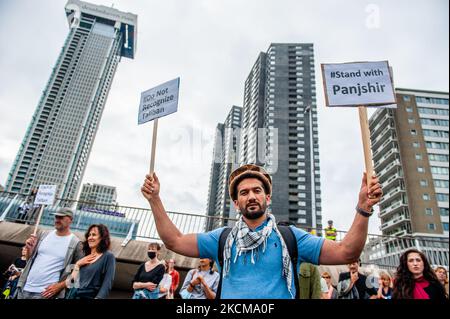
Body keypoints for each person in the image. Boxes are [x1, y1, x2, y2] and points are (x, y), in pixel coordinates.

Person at [140, 164, 383, 298]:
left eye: (257, 190)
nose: (251, 196)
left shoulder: (291, 238)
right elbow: (174, 240)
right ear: (236, 204)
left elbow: (347, 252)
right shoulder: (221, 239)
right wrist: (155, 200)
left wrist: (363, 209)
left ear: (267, 198)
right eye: (243, 193)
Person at [15, 207, 83, 299]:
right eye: (56, 217)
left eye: (61, 217)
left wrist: (59, 286)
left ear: (70, 220)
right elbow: (29, 260)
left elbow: (78, 273)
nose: (57, 220)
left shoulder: (75, 243)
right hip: (25, 288)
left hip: (46, 294)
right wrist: (29, 249)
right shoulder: (44, 234)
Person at [65, 224, 116, 299]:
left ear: (102, 238)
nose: (90, 237)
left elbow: (107, 284)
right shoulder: (83, 257)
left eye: (94, 235)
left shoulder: (108, 256)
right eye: (89, 235)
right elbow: (69, 285)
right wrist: (77, 265)